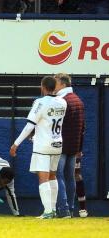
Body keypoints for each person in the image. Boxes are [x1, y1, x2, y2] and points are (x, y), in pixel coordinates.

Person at [10, 76, 67, 219]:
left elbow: (30, 125)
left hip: (43, 145)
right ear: (55, 87)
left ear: (42, 87)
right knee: (53, 176)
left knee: (43, 178)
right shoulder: (63, 102)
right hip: (57, 143)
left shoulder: (40, 102)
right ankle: (52, 209)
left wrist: (16, 143)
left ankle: (47, 212)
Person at [54, 73, 86, 218]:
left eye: (55, 83)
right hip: (74, 146)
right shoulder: (78, 101)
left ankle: (63, 209)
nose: (53, 86)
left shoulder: (61, 101)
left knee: (57, 176)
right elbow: (82, 127)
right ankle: (71, 209)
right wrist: (79, 148)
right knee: (70, 178)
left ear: (62, 83)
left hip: (60, 145)